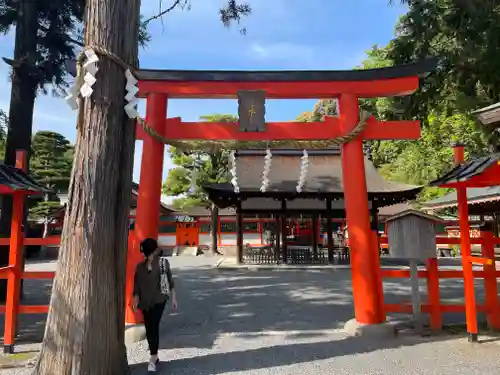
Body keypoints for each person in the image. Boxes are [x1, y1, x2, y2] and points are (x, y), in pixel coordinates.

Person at [132, 238, 178, 372]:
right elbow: (136, 286)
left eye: (144, 251)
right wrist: (135, 299)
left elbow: (170, 281)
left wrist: (174, 298)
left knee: (153, 325)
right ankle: (155, 355)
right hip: (145, 303)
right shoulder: (140, 267)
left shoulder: (163, 263)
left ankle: (152, 358)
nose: (142, 254)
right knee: (148, 328)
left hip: (159, 300)